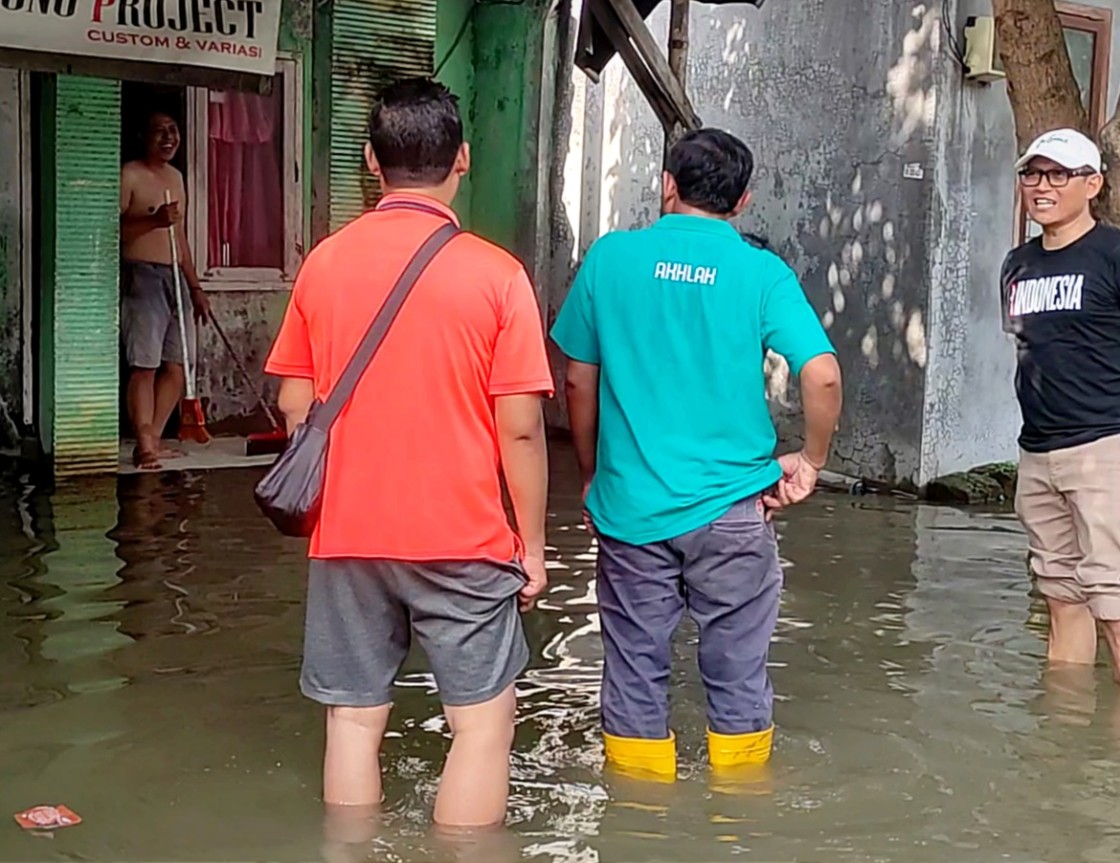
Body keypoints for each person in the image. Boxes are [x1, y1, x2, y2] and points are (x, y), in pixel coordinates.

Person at [264, 78, 552, 827]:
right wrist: (532, 546)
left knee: (353, 722)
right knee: (481, 727)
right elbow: (521, 429)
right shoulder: (498, 275)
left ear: (370, 160)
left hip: (347, 535)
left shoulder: (325, 262)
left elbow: (294, 403)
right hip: (463, 536)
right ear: (463, 159)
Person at [550, 128, 843, 780]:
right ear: (741, 201)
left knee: (634, 667)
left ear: (667, 185)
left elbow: (577, 380)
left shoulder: (610, 259)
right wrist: (811, 461)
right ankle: (738, 811)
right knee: (738, 668)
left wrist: (593, 474)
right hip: (734, 510)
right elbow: (821, 374)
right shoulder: (760, 272)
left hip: (631, 510)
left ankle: (638, 813)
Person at [1001, 128, 1120, 689]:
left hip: (1109, 447)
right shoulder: (1018, 264)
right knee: (1060, 599)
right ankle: (1066, 728)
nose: (1042, 186)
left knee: (1116, 604)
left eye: (1058, 175)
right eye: (1032, 174)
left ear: (1092, 184)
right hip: (1039, 452)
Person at [120, 110, 211, 470]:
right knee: (144, 364)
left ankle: (154, 439)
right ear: (143, 137)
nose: (168, 137)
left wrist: (195, 286)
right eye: (159, 131)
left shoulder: (176, 177)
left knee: (178, 365)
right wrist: (153, 220)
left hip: (175, 277)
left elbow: (179, 237)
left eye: (173, 130)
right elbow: (113, 230)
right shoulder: (130, 174)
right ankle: (143, 444)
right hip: (141, 275)